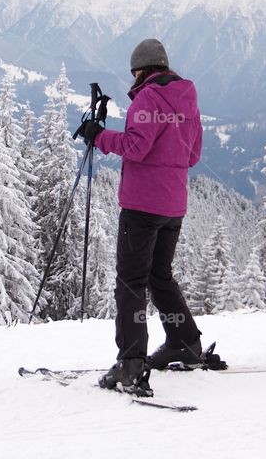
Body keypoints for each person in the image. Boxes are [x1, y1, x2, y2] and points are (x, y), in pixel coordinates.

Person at [75, 38, 204, 397]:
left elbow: (135, 146)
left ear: (141, 70)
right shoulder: (188, 99)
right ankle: (185, 343)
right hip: (173, 205)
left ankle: (131, 365)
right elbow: (193, 155)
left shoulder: (148, 98)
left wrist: (98, 136)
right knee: (159, 277)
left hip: (142, 206)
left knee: (131, 282)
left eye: (135, 73)